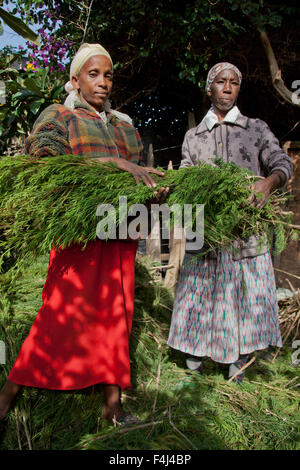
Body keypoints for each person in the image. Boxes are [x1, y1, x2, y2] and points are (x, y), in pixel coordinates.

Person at [0, 43, 167, 425]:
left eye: (108, 75)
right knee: (58, 313)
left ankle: (113, 407)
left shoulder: (124, 125)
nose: (103, 82)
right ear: (75, 79)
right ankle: (7, 396)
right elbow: (45, 162)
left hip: (119, 230)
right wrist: (110, 162)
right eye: (94, 74)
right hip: (79, 235)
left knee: (116, 315)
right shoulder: (59, 115)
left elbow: (136, 175)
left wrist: (152, 196)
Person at [167, 62, 292, 383]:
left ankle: (238, 365)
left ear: (238, 88)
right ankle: (193, 366)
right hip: (205, 233)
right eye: (220, 82)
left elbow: (282, 163)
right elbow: (185, 175)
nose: (227, 88)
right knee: (199, 295)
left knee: (243, 295)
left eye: (234, 82)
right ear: (209, 88)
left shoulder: (256, 129)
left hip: (244, 232)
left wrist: (268, 183)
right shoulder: (194, 137)